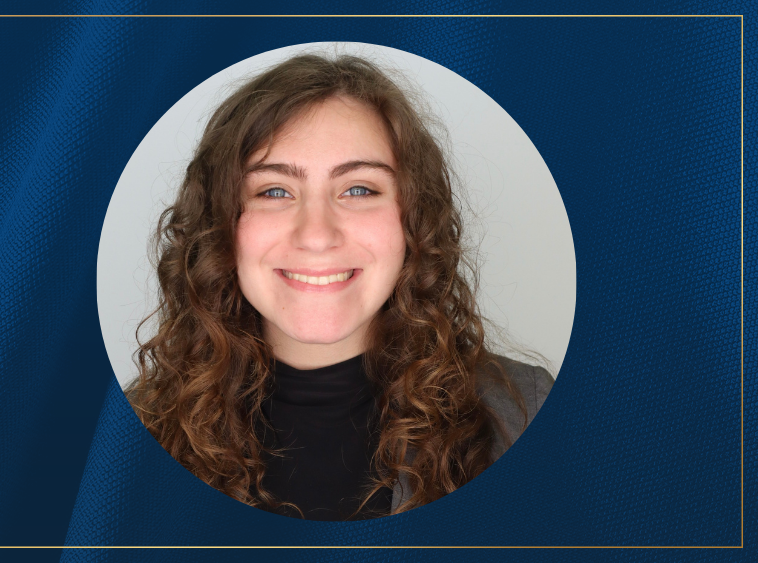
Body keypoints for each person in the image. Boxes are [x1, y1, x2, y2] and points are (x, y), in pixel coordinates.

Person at [126, 53, 554, 521]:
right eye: (274, 191)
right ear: (219, 226)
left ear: (414, 220)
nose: (317, 235)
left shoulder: (526, 412)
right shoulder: (127, 438)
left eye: (358, 189)